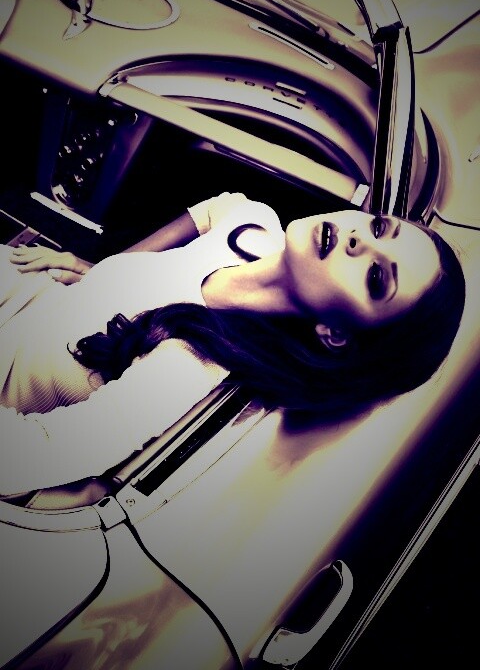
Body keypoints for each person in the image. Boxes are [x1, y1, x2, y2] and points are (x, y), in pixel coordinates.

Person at [0, 191, 465, 496]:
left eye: (376, 277)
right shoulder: (251, 222)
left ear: (336, 334)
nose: (360, 239)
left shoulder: (192, 366)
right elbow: (215, 208)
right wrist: (97, 269)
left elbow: (29, 459)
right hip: (23, 288)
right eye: (380, 227)